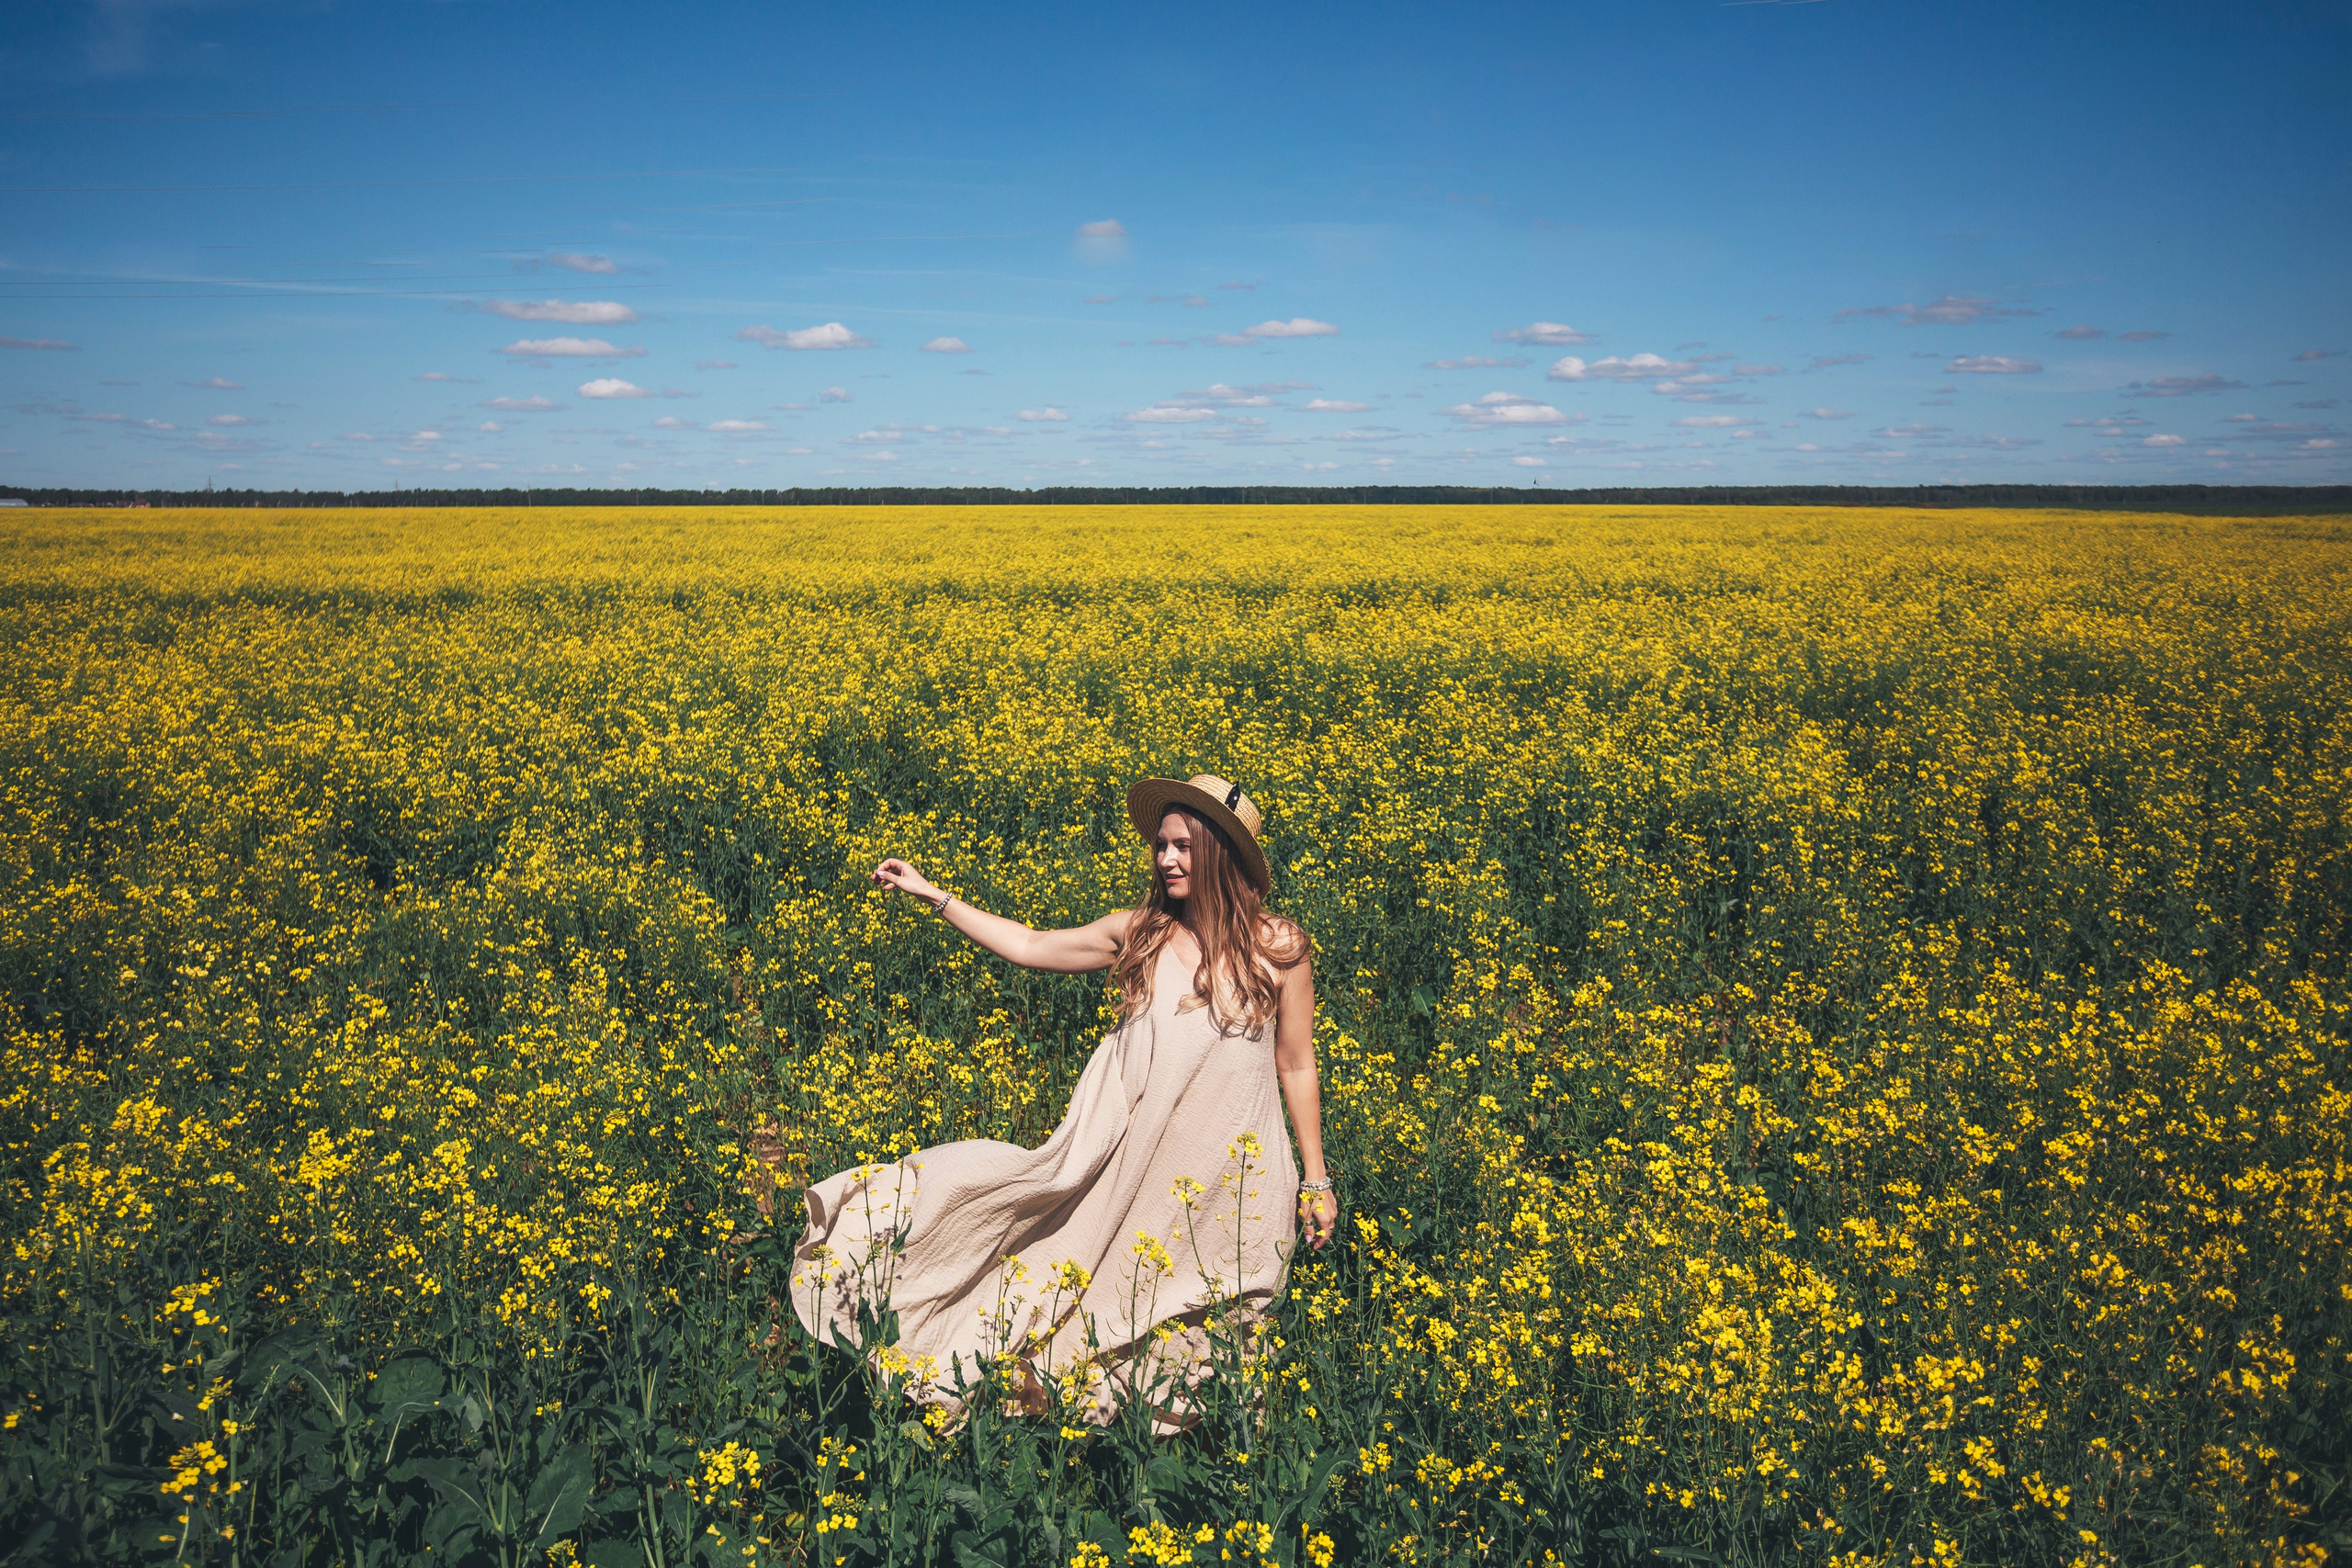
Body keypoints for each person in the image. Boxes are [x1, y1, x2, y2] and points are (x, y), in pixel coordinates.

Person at [789, 773, 1338, 1427]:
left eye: (1182, 846)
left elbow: (1296, 1063)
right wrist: (936, 896)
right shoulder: (1139, 934)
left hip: (1237, 1178)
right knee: (1101, 1293)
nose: (1165, 859)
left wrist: (1316, 1176)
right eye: (1161, 846)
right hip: (1138, 1171)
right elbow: (1028, 943)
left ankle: (1215, 1478)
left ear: (1220, 852)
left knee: (1220, 1329)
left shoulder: (1280, 948)